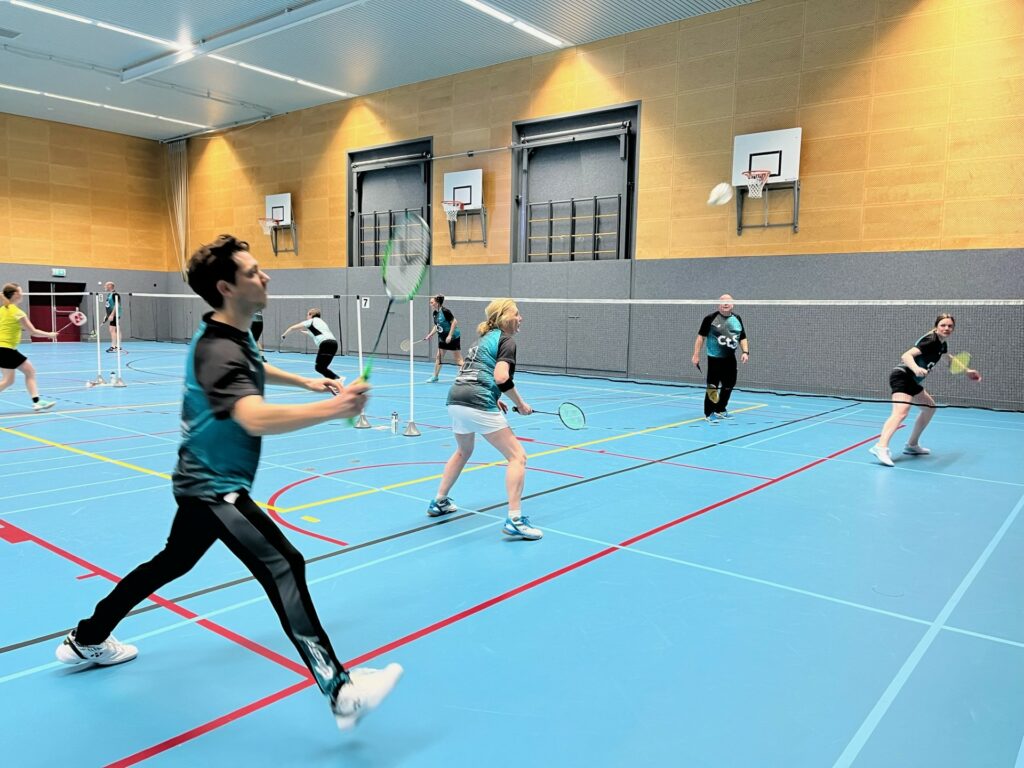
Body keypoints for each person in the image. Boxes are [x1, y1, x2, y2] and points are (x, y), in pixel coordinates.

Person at [55, 235, 401, 731]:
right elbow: (252, 416)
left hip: (199, 480)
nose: (266, 276)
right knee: (284, 564)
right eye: (253, 271)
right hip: (214, 488)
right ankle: (341, 690)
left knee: (171, 562)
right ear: (226, 287)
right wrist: (334, 408)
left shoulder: (233, 333)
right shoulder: (217, 349)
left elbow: (253, 366)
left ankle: (87, 637)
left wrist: (306, 381)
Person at [426, 298, 542, 541]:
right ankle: (515, 520)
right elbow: (501, 377)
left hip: (456, 398)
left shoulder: (481, 340)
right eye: (516, 314)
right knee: (517, 457)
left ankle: (439, 501)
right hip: (477, 401)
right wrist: (521, 405)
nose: (520, 318)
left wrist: (495, 397)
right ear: (503, 318)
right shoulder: (507, 341)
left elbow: (474, 371)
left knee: (463, 451)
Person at [868, 313, 981, 467]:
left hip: (912, 381)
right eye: (943, 325)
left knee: (929, 408)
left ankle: (912, 445)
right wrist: (916, 368)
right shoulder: (930, 340)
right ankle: (880, 446)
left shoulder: (941, 344)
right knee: (900, 413)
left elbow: (949, 359)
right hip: (902, 376)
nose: (946, 328)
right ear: (936, 326)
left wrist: (967, 371)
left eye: (950, 326)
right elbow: (906, 356)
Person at [691, 294, 748, 423]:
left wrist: (745, 352)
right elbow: (701, 337)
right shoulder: (710, 318)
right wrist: (696, 355)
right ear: (718, 304)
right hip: (714, 359)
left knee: (729, 384)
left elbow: (742, 337)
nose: (726, 304)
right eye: (723, 302)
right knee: (713, 386)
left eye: (728, 302)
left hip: (730, 358)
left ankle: (720, 408)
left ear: (733, 304)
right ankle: (709, 412)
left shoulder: (737, 318)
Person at [0, 283, 57, 411]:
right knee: (26, 373)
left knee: (11, 379)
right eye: (21, 291)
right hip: (6, 349)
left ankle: (37, 402)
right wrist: (50, 334)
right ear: (15, 294)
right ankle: (37, 402)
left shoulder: (2, 309)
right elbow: (33, 332)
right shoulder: (17, 312)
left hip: (3, 349)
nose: (23, 294)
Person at [281, 309, 342, 381]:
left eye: (307, 315)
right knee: (322, 367)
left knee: (319, 368)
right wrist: (304, 331)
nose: (307, 316)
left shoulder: (311, 321)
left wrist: (284, 335)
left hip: (326, 344)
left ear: (311, 315)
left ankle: (337, 379)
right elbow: (315, 333)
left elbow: (292, 328)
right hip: (334, 344)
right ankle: (335, 381)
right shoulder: (322, 323)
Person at [423, 295, 464, 383]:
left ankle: (463, 376)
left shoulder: (445, 311)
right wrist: (430, 334)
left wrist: (450, 335)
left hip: (453, 337)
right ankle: (435, 376)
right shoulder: (435, 313)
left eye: (432, 302)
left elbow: (454, 322)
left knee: (458, 359)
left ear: (437, 303)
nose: (430, 304)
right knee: (439, 357)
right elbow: (437, 326)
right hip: (442, 338)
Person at [103, 281, 123, 353]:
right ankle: (118, 347)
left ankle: (113, 347)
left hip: (115, 314)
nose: (104, 287)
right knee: (117, 330)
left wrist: (112, 314)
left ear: (110, 286)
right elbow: (109, 306)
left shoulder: (115, 294)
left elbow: (117, 305)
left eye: (105, 285)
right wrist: (106, 315)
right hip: (113, 314)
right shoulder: (109, 294)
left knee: (112, 330)